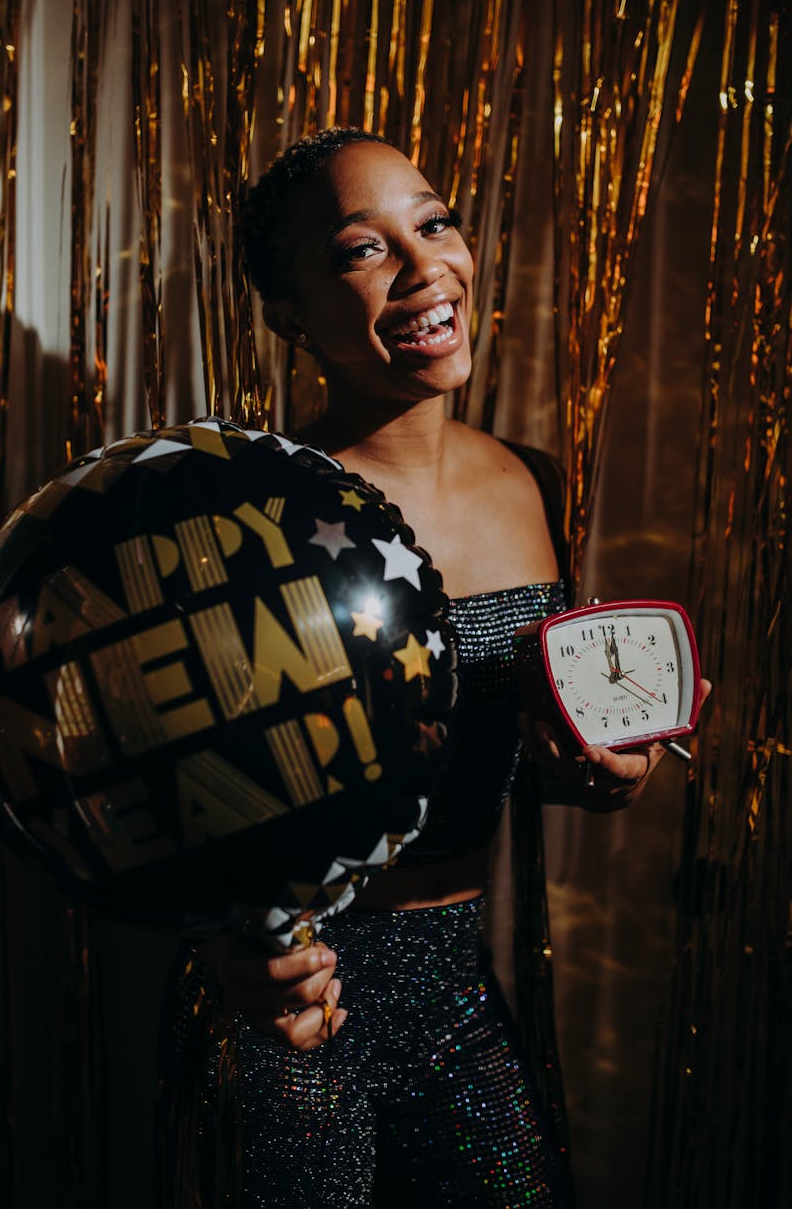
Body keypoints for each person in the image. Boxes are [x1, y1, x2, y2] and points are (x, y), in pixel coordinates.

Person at [159, 127, 709, 1208]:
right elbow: (168, 793)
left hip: (459, 989)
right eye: (364, 248)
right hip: (297, 1016)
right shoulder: (253, 515)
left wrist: (607, 766)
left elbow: (515, 749)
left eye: (436, 223)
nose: (426, 269)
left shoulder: (532, 480)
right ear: (288, 312)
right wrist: (233, 950)